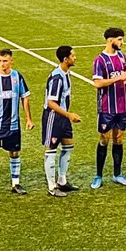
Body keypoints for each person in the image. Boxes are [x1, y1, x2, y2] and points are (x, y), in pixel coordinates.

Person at [0, 49, 34, 198]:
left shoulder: (17, 76)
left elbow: (25, 97)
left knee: (15, 153)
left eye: (5, 61)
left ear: (11, 61)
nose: (2, 64)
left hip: (13, 124)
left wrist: (28, 119)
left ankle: (15, 183)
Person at [90, 27, 126, 189]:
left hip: (121, 106)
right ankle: (98, 176)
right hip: (106, 107)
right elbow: (98, 83)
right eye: (119, 39)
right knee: (104, 139)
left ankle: (117, 174)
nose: (122, 42)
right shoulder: (100, 60)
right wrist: (119, 78)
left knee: (119, 139)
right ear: (110, 40)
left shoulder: (122, 57)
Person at [43, 46, 80, 197]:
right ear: (66, 59)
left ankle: (62, 181)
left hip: (63, 116)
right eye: (73, 55)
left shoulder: (66, 73)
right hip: (53, 117)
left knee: (68, 145)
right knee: (51, 149)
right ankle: (52, 187)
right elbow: (51, 103)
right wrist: (69, 114)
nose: (75, 58)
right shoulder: (57, 78)